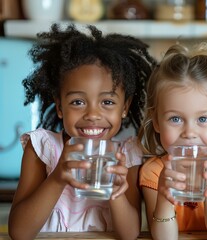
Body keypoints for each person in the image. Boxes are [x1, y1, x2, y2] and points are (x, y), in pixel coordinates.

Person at [8, 23, 156, 240]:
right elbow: (19, 233)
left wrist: (117, 192)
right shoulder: (42, 148)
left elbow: (129, 234)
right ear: (60, 106)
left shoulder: (127, 155)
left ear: (124, 107)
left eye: (107, 101)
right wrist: (58, 177)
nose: (92, 114)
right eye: (77, 101)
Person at [138, 42, 207, 240]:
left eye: (203, 119)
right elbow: (163, 238)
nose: (189, 132)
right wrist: (163, 196)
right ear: (157, 121)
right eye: (175, 119)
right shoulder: (154, 172)